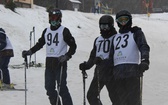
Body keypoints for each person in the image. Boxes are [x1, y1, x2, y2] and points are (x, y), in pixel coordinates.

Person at [22, 8, 77, 105]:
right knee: (49, 88)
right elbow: (40, 44)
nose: (53, 20)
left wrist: (67, 56)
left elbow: (73, 46)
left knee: (62, 88)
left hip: (60, 62)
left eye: (55, 18)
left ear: (59, 18)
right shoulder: (46, 31)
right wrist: (30, 52)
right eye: (51, 17)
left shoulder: (64, 31)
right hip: (49, 63)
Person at [110, 10, 150, 105]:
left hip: (132, 72)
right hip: (118, 73)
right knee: (121, 101)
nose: (123, 23)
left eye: (125, 20)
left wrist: (145, 60)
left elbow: (143, 46)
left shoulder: (136, 33)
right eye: (121, 20)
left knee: (134, 101)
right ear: (117, 22)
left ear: (130, 20)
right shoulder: (115, 37)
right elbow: (111, 55)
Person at [79, 15, 118, 105]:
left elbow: (116, 57)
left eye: (106, 26)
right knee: (91, 96)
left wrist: (104, 62)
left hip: (111, 74)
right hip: (99, 73)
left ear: (111, 26)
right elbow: (93, 56)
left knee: (115, 99)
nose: (104, 29)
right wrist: (86, 65)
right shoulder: (98, 40)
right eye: (102, 26)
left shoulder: (116, 38)